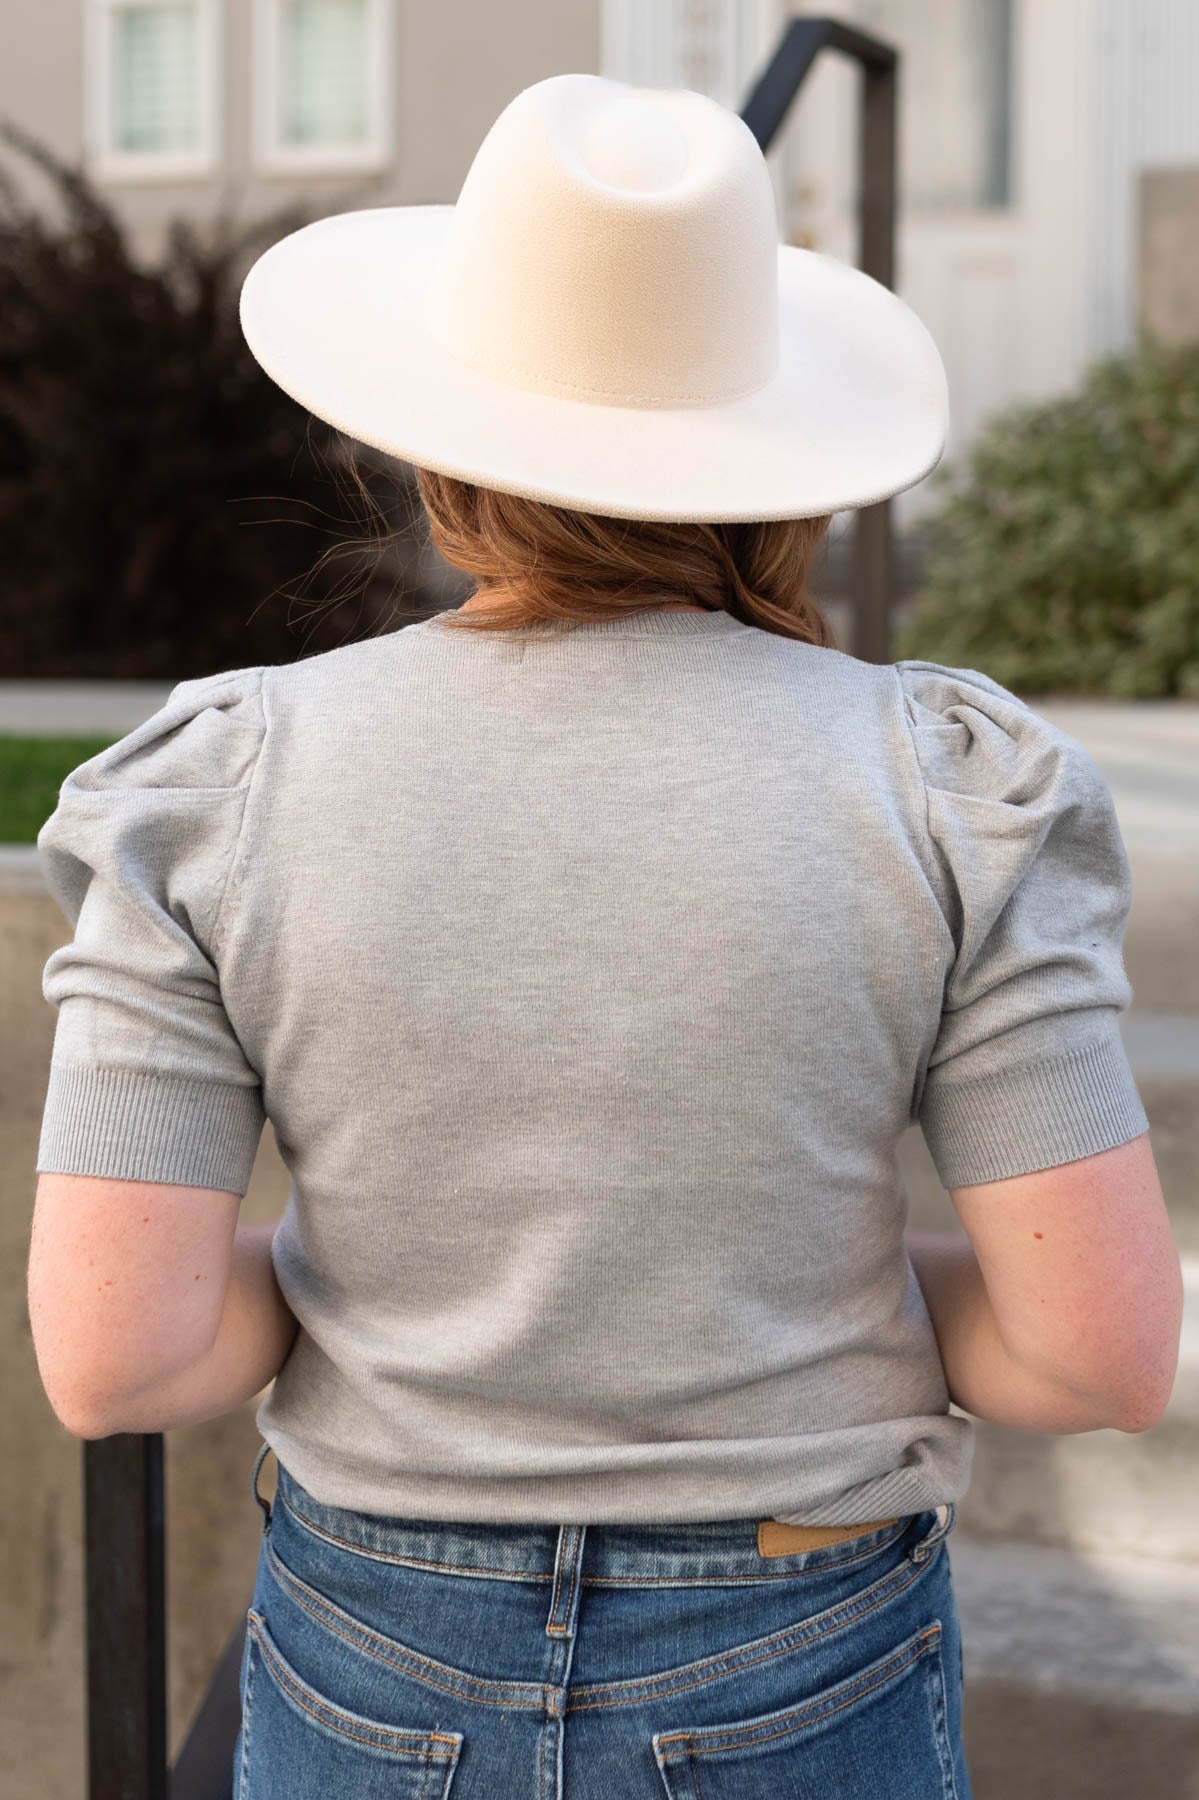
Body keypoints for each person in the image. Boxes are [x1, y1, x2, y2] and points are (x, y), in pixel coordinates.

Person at [28, 73, 1180, 1800]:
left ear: (439, 449)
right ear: (779, 460)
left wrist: (408, 1279)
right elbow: (1095, 1351)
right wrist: (802, 1283)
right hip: (800, 1624)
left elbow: (119, 1353)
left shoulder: (218, 783)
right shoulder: (951, 787)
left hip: (376, 1638)